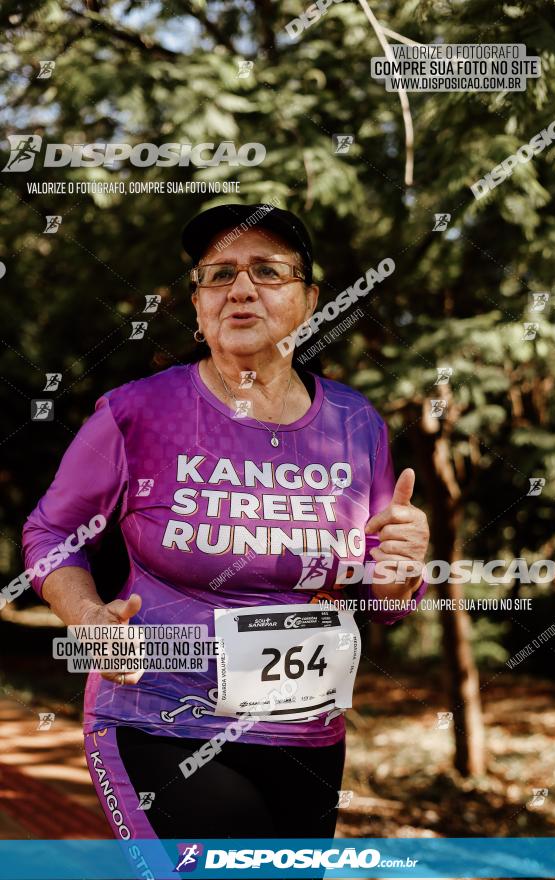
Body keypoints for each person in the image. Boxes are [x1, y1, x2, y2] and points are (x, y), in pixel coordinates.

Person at [22, 203, 429, 843]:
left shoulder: (357, 424)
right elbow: (50, 533)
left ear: (309, 298)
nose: (240, 289)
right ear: (198, 302)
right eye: (218, 275)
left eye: (267, 271)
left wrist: (400, 574)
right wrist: (85, 615)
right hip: (159, 718)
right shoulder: (137, 413)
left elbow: (382, 592)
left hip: (309, 733)